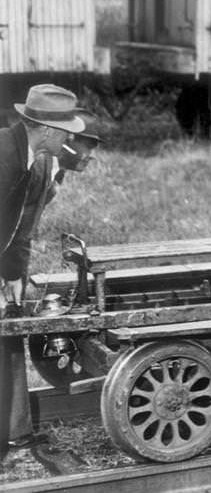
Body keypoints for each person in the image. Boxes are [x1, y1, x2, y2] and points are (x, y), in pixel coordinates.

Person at [0, 84, 85, 459]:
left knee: (8, 331)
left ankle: (14, 431)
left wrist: (13, 274)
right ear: (47, 129)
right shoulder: (3, 155)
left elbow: (17, 224)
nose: (71, 136)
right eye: (67, 129)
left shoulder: (30, 155)